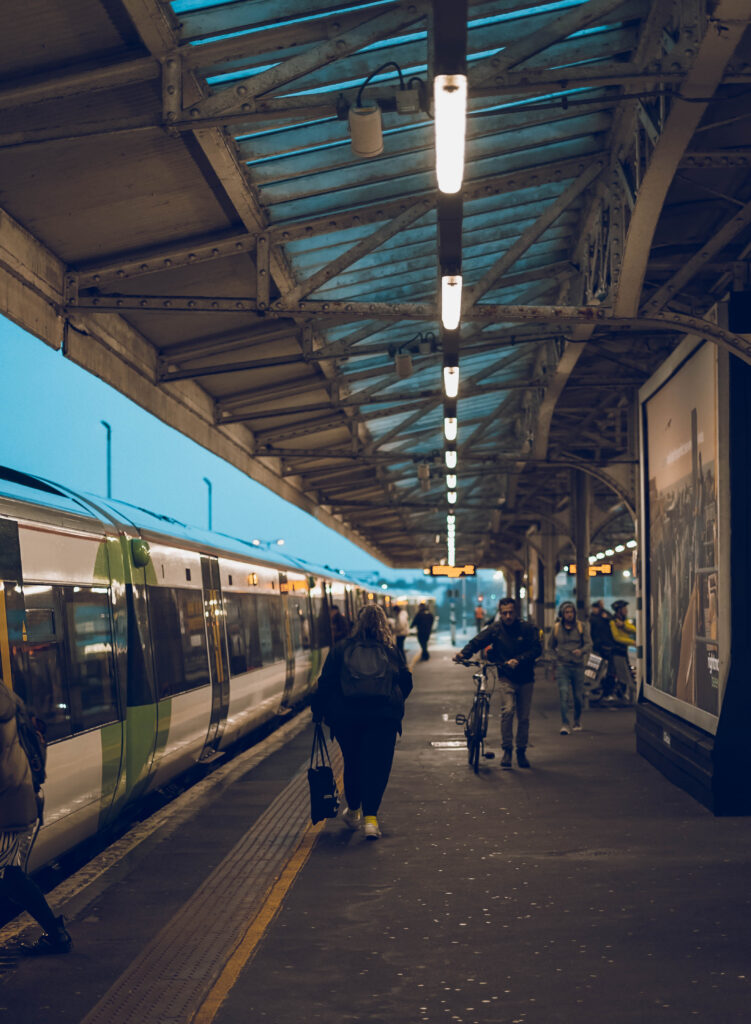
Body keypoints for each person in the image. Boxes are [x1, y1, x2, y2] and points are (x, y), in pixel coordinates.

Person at [310, 604, 412, 840]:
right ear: (383, 624)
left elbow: (325, 684)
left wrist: (319, 713)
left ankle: (354, 809)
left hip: (347, 719)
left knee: (353, 764)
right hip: (383, 719)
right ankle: (371, 820)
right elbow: (406, 681)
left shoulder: (340, 649)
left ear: (357, 623)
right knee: (378, 768)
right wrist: (393, 702)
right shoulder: (390, 650)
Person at [0, 681, 72, 955]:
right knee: (12, 876)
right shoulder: (9, 698)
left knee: (9, 877)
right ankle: (57, 933)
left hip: (7, 808)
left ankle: (58, 934)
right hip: (21, 799)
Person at [454, 597, 542, 768]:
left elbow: (537, 649)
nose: (508, 616)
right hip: (505, 677)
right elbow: (477, 641)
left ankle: (521, 751)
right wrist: (463, 654)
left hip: (525, 678)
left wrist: (519, 659)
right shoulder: (495, 629)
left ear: (515, 612)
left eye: (510, 612)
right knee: (508, 711)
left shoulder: (526, 628)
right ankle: (507, 750)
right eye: (504, 613)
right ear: (500, 613)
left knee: (523, 717)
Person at [549, 602, 592, 734]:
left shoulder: (581, 627)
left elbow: (589, 643)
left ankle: (577, 720)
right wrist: (556, 658)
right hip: (563, 666)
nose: (569, 615)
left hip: (578, 666)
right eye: (566, 612)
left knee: (578, 697)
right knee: (564, 694)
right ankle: (565, 724)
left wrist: (581, 650)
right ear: (562, 614)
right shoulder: (556, 628)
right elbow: (550, 646)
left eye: (571, 612)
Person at [610, 600, 637, 703]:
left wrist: (623, 626)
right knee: (624, 675)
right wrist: (632, 642)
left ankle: (625, 697)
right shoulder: (613, 622)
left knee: (625, 674)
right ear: (618, 610)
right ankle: (627, 698)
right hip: (617, 651)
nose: (626, 611)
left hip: (623, 651)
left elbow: (634, 629)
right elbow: (616, 637)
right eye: (624, 609)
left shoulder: (623, 621)